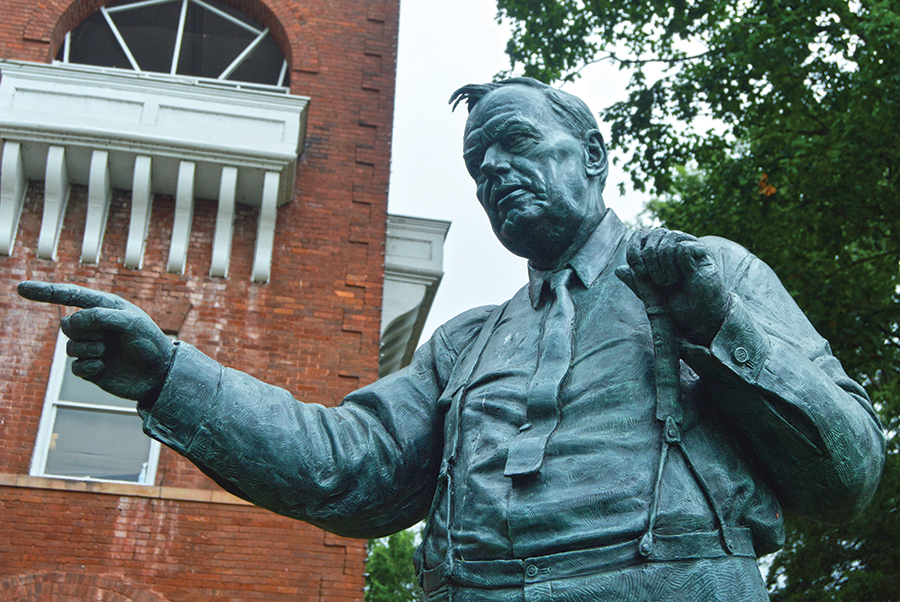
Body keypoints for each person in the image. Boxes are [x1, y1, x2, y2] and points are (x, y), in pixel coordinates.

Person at [19, 78, 885, 602]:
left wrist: (717, 325)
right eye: (477, 166)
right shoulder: (466, 343)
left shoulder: (706, 275)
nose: (494, 172)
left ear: (593, 154)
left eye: (515, 143)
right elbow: (342, 464)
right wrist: (170, 374)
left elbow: (847, 472)